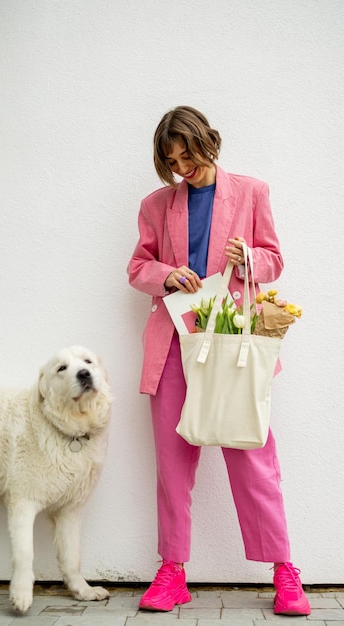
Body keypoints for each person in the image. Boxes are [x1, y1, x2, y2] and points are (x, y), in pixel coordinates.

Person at [127, 105, 310, 616]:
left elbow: (273, 259)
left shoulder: (252, 191)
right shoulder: (156, 204)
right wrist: (166, 274)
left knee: (253, 460)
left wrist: (247, 258)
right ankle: (173, 571)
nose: (184, 168)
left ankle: (284, 572)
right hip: (173, 347)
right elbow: (138, 265)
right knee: (173, 465)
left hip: (232, 346)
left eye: (190, 156)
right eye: (173, 162)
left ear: (210, 141)